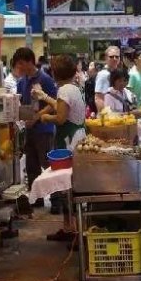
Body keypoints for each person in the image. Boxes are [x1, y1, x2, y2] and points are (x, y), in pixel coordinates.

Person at [33, 55, 86, 240]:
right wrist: (45, 97)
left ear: (56, 73)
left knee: (66, 187)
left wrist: (46, 118)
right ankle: (71, 228)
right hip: (77, 138)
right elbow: (63, 108)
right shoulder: (74, 88)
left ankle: (73, 230)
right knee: (71, 185)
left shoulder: (64, 90)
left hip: (68, 143)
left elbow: (61, 117)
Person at [15, 48, 57, 207]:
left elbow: (54, 103)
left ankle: (56, 201)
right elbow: (22, 103)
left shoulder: (45, 79)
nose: (19, 67)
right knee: (31, 166)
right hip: (29, 130)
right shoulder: (22, 81)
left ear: (29, 62)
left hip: (44, 130)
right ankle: (36, 198)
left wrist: (36, 117)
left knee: (48, 165)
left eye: (21, 63)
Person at [95, 46, 121, 112]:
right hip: (109, 116)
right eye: (111, 57)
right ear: (106, 58)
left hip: (118, 115)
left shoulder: (118, 72)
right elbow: (99, 98)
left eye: (117, 57)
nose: (114, 59)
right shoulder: (103, 74)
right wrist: (104, 116)